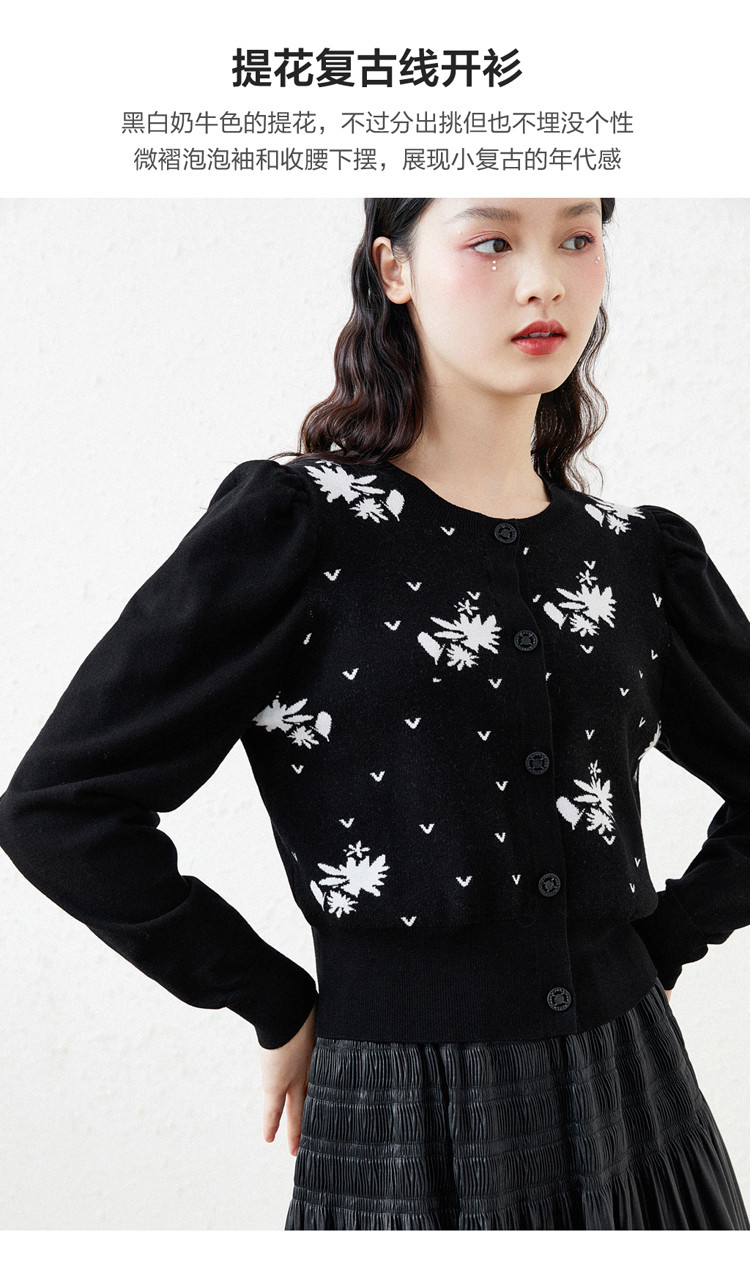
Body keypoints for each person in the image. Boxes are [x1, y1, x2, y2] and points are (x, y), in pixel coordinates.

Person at [0, 197, 749, 1230]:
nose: (545, 280)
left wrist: (662, 942)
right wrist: (270, 997)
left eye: (577, 238)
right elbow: (61, 807)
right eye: (492, 240)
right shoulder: (300, 529)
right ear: (394, 269)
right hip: (404, 1116)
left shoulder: (637, 557)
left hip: (643, 1105)